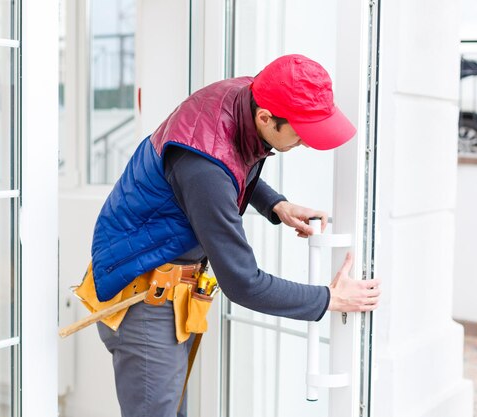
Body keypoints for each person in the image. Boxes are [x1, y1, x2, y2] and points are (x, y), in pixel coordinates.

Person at [82, 54, 381, 417]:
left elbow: (234, 158)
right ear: (266, 118)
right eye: (300, 132)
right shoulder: (204, 168)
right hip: (143, 296)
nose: (304, 141)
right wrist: (329, 299)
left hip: (167, 287)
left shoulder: (244, 95)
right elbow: (243, 283)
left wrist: (275, 204)